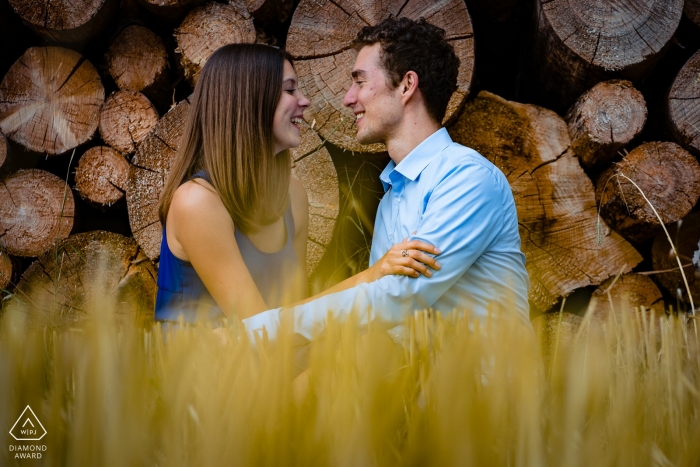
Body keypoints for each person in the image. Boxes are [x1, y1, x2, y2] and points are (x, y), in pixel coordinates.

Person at [243, 18, 531, 342]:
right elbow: (385, 329)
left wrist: (261, 332)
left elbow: (395, 296)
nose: (348, 99)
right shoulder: (392, 200)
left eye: (360, 82)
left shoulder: (467, 179)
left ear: (407, 86)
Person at [154, 43, 440, 324]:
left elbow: (297, 321)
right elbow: (260, 328)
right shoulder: (197, 202)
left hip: (270, 366)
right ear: (249, 100)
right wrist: (372, 275)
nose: (304, 100)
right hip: (200, 370)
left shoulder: (292, 195)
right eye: (290, 90)